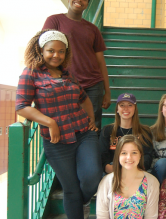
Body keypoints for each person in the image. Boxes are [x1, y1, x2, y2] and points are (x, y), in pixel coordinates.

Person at [15, 30, 102, 219]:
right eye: (51, 51)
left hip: (83, 133)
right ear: (41, 50)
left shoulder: (67, 72)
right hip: (57, 141)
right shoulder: (30, 73)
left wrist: (92, 120)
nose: (56, 55)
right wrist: (49, 122)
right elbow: (21, 107)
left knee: (92, 177)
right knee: (70, 189)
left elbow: (84, 98)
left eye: (61, 51)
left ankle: (84, 201)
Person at [42, 0, 111, 131]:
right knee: (66, 126)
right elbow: (43, 51)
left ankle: (90, 155)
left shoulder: (93, 29)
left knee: (92, 127)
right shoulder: (54, 21)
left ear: (87, 3)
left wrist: (107, 91)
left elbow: (100, 61)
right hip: (65, 83)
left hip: (93, 85)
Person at [96, 135, 159, 218]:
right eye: (124, 153)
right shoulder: (106, 182)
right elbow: (102, 216)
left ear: (140, 155)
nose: (129, 157)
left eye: (134, 153)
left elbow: (151, 217)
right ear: (118, 155)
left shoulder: (152, 182)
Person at [99, 93, 153, 174]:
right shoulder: (107, 130)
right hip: (113, 170)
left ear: (135, 109)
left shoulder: (144, 131)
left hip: (137, 170)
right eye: (122, 105)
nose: (126, 108)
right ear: (117, 109)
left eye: (130, 105)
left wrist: (132, 169)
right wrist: (113, 170)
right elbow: (102, 156)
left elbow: (147, 156)